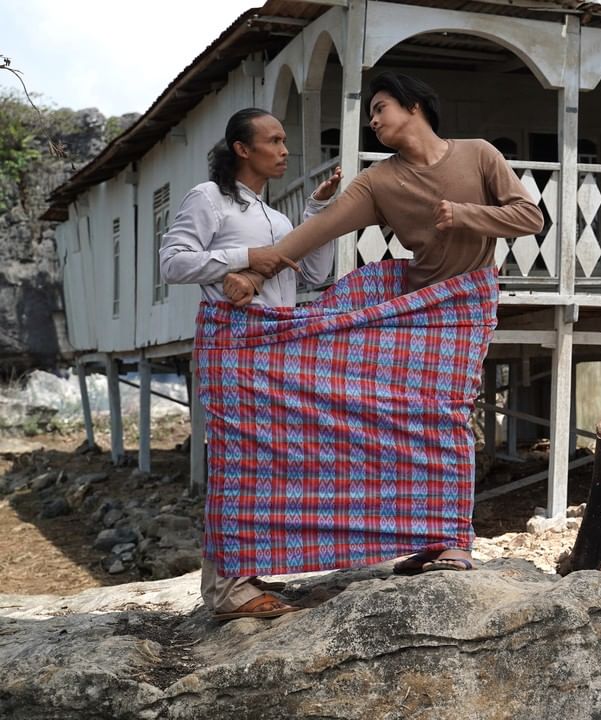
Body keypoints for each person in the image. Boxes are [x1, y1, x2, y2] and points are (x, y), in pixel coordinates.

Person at [222, 72, 544, 573]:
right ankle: (425, 536)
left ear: (414, 105)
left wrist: (465, 215)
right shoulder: (379, 181)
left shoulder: (478, 154)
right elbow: (315, 231)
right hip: (412, 312)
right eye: (370, 114)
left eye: (380, 108)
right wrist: (253, 271)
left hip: (465, 305)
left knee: (447, 417)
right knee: (402, 425)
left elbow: (530, 218)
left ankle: (455, 539)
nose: (373, 121)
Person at [159, 107, 342, 620]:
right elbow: (172, 262)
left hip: (275, 347)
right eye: (274, 140)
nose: (284, 150)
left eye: (285, 140)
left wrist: (318, 217)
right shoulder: (209, 198)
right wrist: (244, 258)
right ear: (242, 148)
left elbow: (312, 276)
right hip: (232, 344)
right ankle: (224, 592)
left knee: (267, 462)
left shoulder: (276, 216)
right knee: (236, 461)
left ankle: (247, 572)